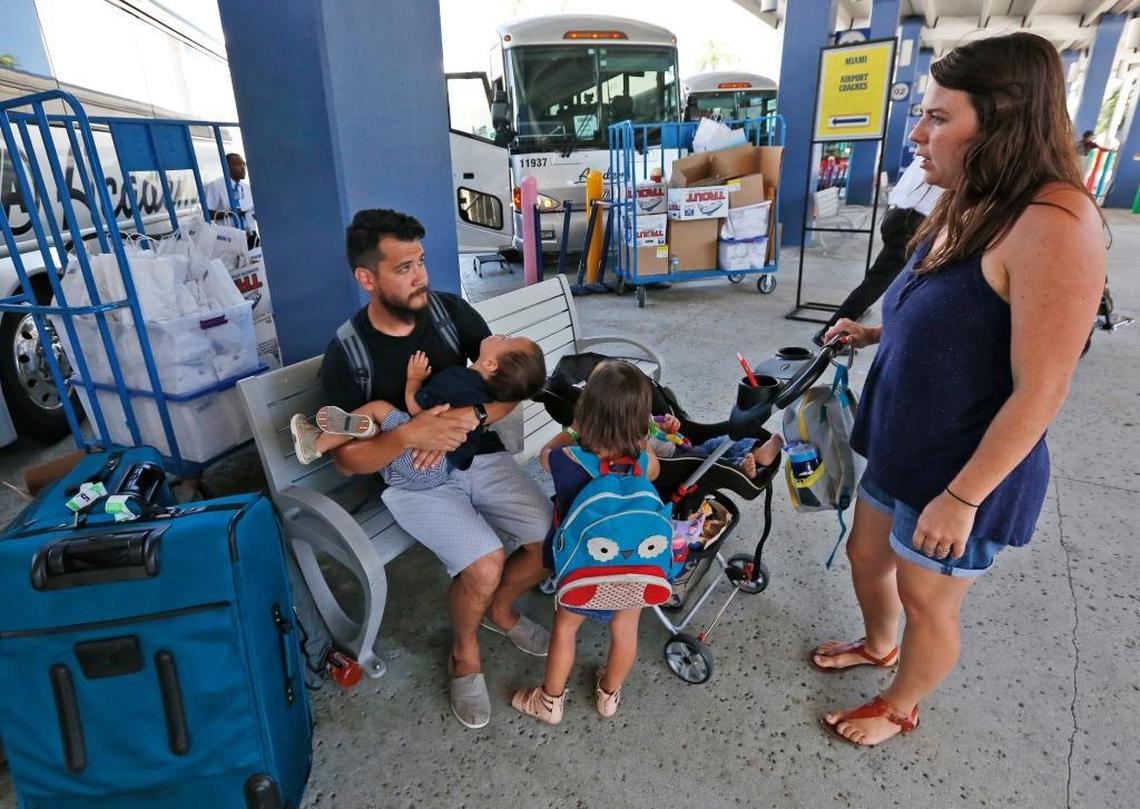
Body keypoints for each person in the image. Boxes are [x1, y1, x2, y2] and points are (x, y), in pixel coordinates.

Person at [812, 33, 1106, 747]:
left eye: (940, 118)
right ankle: (880, 643)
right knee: (864, 556)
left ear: (1003, 121)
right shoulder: (972, 198)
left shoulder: (1057, 224)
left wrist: (964, 496)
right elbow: (959, 313)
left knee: (927, 599)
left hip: (964, 467)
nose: (917, 133)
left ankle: (902, 700)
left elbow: (1044, 386)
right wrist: (874, 333)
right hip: (904, 438)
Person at [320, 209, 554, 729]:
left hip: (476, 453)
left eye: (421, 261)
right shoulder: (349, 354)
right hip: (412, 479)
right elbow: (347, 459)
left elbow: (507, 390)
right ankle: (464, 651)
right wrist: (409, 434)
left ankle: (502, 610)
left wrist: (469, 419)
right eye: (404, 267)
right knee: (485, 563)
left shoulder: (450, 312)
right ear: (367, 279)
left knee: (550, 537)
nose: (421, 275)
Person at [512, 361, 660, 724]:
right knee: (625, 630)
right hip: (635, 566)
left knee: (565, 629)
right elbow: (652, 465)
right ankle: (608, 696)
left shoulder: (568, 460)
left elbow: (545, 455)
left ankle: (549, 701)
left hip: (583, 569)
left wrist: (573, 430)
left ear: (586, 410)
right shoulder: (645, 461)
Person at [289, 334, 546, 476]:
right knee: (386, 426)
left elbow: (416, 409)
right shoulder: (490, 396)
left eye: (506, 338)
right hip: (444, 471)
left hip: (417, 461)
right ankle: (370, 430)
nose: (501, 335)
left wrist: (414, 380)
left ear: (491, 364)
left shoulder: (457, 380)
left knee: (378, 407)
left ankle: (315, 444)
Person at [812, 157, 943, 345]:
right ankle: (831, 333)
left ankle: (833, 332)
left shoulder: (931, 154)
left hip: (901, 214)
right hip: (913, 218)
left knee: (883, 280)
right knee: (881, 281)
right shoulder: (946, 154)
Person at [205, 152, 256, 236]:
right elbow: (207, 213)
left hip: (250, 235)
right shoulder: (215, 186)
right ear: (227, 167)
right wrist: (231, 213)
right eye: (238, 165)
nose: (243, 168)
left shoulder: (247, 188)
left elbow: (252, 212)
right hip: (229, 237)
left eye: (244, 164)